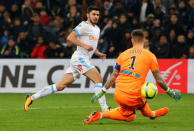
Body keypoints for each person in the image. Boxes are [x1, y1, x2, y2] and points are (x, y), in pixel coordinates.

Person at [83, 29, 181, 125]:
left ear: (132, 40)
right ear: (144, 40)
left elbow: (113, 76)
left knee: (130, 116)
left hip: (119, 94)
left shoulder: (123, 55)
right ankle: (153, 114)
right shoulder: (150, 56)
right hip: (134, 96)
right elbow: (159, 79)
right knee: (145, 111)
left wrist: (102, 92)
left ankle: (99, 115)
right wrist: (170, 92)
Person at [24, 5, 109, 112]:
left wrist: (98, 53)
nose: (96, 17)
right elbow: (70, 37)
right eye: (93, 14)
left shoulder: (97, 29)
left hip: (83, 60)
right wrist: (83, 45)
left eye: (97, 15)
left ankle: (31, 98)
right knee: (98, 79)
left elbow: (91, 45)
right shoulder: (84, 25)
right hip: (79, 58)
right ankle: (106, 110)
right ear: (88, 15)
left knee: (60, 86)